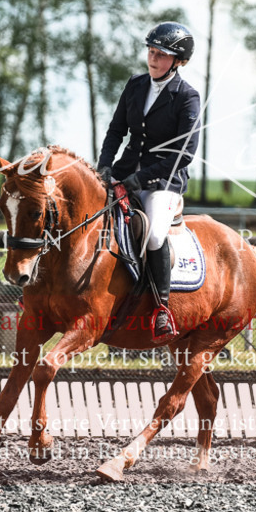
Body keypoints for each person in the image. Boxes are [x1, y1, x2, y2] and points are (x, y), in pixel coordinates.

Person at [97, 21, 202, 343]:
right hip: (124, 170)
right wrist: (104, 168)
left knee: (155, 235)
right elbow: (117, 131)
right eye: (151, 52)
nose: (153, 59)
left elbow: (183, 155)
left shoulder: (187, 97)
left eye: (161, 55)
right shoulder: (135, 84)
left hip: (163, 182)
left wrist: (138, 179)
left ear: (178, 61)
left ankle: (161, 308)